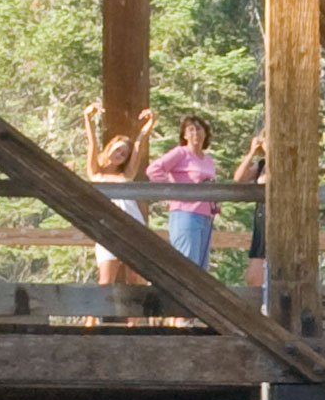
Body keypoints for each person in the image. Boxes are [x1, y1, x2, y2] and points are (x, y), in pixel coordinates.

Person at [78, 104, 144, 287]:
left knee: (135, 280)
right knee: (105, 281)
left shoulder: (126, 175)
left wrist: (149, 124)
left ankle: (136, 317)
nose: (119, 154)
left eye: (124, 154)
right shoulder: (96, 174)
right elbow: (92, 143)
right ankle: (91, 317)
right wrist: (88, 118)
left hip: (131, 225)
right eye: (117, 149)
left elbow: (138, 146)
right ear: (110, 148)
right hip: (107, 225)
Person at [146, 112, 220, 272]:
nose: (195, 133)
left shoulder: (207, 159)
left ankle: (197, 297)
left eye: (199, 129)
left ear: (205, 133)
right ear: (184, 135)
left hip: (206, 216)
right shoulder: (181, 153)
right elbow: (154, 170)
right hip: (186, 214)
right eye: (190, 129)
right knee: (187, 265)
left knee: (201, 267)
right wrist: (173, 189)